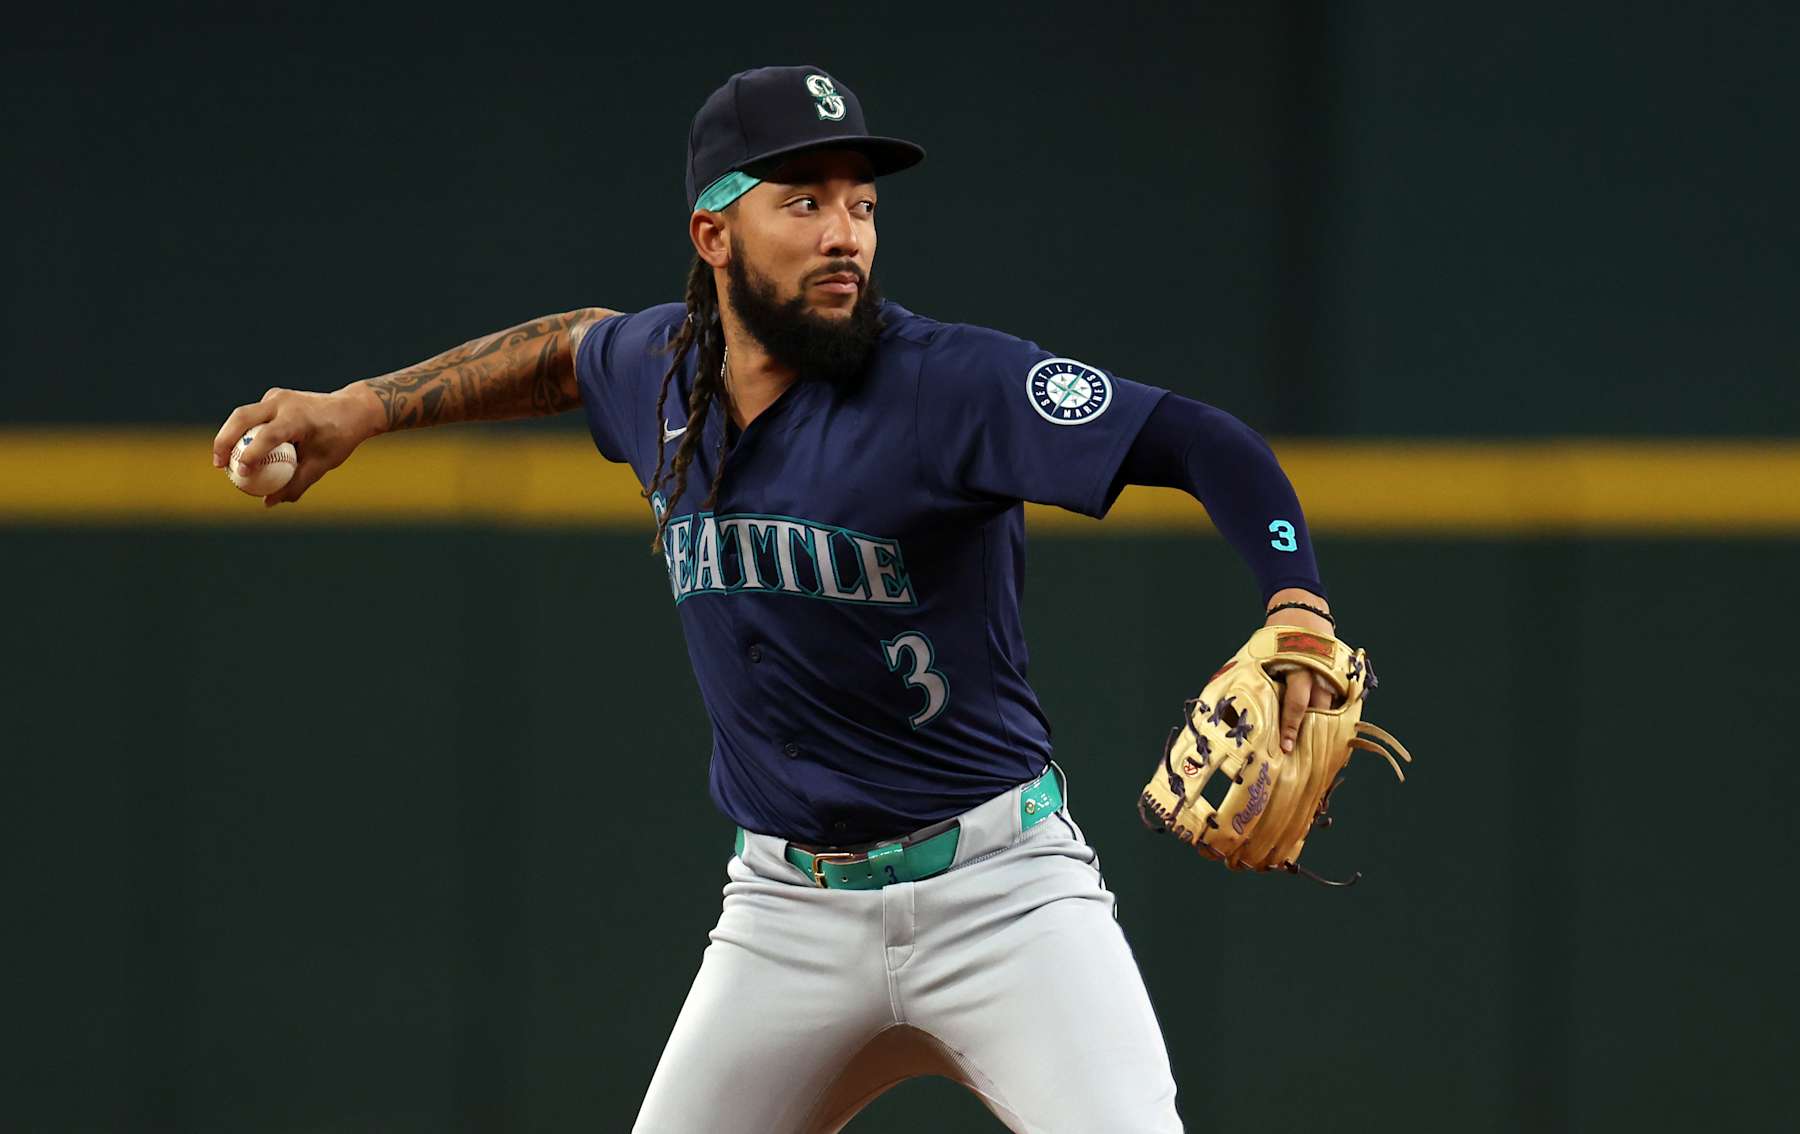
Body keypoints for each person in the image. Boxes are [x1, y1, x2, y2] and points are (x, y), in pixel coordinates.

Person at [212, 64, 1338, 1134]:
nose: (845, 233)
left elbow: (1207, 443)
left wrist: (1299, 608)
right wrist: (363, 406)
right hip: (786, 912)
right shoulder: (662, 371)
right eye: (803, 202)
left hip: (1004, 892)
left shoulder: (951, 384)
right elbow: (565, 352)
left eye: (860, 204)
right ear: (714, 236)